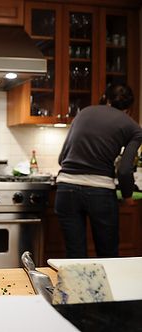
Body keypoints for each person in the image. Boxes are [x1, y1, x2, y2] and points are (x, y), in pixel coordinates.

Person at [55, 84, 142, 258]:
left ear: (105, 98)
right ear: (130, 107)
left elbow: (61, 158)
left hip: (66, 189)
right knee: (108, 254)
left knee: (75, 255)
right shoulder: (134, 128)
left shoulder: (84, 113)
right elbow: (124, 170)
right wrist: (127, 196)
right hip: (100, 192)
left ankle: (75, 287)